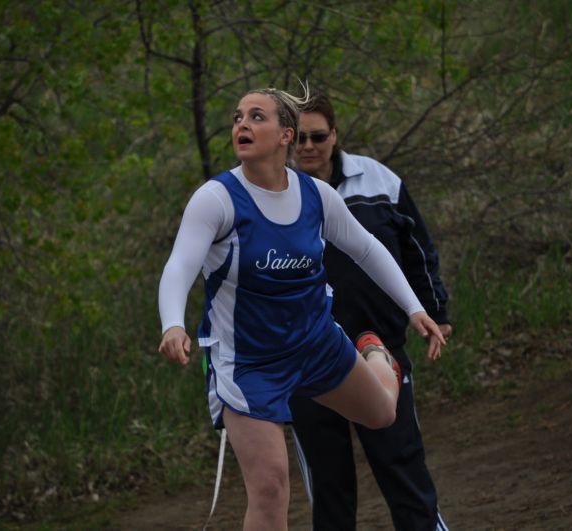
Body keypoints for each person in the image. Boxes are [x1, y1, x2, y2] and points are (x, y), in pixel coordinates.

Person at [157, 85, 446, 530]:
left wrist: (413, 308)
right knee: (271, 488)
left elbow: (367, 250)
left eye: (257, 117)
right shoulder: (216, 199)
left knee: (383, 414)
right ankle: (368, 356)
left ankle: (372, 352)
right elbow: (180, 265)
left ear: (286, 134)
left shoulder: (316, 196)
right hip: (249, 362)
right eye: (237, 117)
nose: (242, 125)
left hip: (316, 344)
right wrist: (172, 324)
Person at [289, 91, 452, 531]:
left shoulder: (379, 181)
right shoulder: (272, 194)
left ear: (335, 135)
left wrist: (433, 309)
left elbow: (418, 250)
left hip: (379, 348)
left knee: (403, 469)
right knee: (330, 486)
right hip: (308, 360)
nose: (308, 146)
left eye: (317, 136)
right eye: (299, 137)